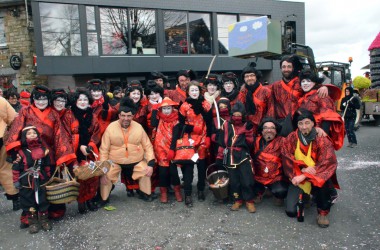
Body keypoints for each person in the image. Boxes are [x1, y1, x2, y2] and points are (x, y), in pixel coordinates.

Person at [5, 85, 76, 221]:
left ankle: (50, 211)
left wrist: (62, 155)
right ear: (33, 99)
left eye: (44, 99)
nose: (41, 102)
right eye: (38, 99)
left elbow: (59, 135)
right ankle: (29, 215)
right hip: (28, 153)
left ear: (48, 100)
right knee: (28, 186)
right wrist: (16, 152)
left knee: (48, 184)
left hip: (48, 154)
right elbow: (16, 129)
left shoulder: (53, 113)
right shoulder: (25, 111)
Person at [282, 109, 339, 228]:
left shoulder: (322, 140)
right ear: (297, 125)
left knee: (321, 182)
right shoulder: (292, 137)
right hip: (298, 173)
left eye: (307, 123)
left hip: (316, 174)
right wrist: (301, 169)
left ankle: (323, 212)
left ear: (313, 123)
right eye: (300, 123)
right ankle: (306, 196)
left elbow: (327, 162)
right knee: (291, 211)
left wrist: (305, 175)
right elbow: (286, 156)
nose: (304, 127)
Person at [99, 98, 156, 204]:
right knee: (106, 175)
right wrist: (103, 170)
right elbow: (104, 150)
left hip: (136, 160)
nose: (126, 118)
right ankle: (104, 198)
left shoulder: (138, 127)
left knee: (145, 170)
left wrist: (150, 164)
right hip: (114, 161)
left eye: (129, 116)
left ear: (132, 116)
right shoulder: (110, 128)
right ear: (119, 115)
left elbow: (148, 146)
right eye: (123, 116)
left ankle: (145, 193)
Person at [170, 81, 212, 207]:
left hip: (203, 139)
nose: (194, 92)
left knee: (201, 168)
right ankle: (187, 193)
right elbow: (181, 124)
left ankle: (200, 190)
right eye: (192, 90)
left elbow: (210, 123)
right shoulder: (184, 106)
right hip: (189, 140)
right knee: (188, 168)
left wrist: (209, 137)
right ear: (188, 91)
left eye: (196, 90)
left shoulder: (206, 104)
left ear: (200, 91)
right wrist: (193, 129)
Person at [269, 55, 328, 136]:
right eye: (284, 67)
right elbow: (263, 91)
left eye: (289, 66)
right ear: (281, 68)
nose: (286, 69)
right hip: (282, 124)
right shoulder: (275, 86)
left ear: (293, 68)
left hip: (299, 123)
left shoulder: (301, 82)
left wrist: (324, 87)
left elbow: (313, 87)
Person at [215, 102, 256, 213]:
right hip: (229, 156)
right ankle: (237, 200)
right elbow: (221, 142)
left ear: (243, 115)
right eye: (235, 114)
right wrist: (219, 156)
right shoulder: (226, 125)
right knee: (234, 181)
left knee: (246, 180)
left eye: (239, 115)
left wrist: (248, 133)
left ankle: (249, 201)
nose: (237, 117)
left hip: (243, 155)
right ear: (231, 115)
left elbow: (251, 144)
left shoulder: (247, 125)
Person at [12, 125, 52, 234]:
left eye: (34, 133)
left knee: (43, 199)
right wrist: (16, 180)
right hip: (27, 182)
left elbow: (47, 165)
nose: (32, 135)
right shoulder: (20, 152)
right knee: (29, 201)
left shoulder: (44, 150)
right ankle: (33, 222)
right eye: (29, 133)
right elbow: (16, 168)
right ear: (25, 137)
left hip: (41, 179)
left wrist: (48, 176)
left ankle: (44, 220)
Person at [68, 89, 101, 213]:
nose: (83, 102)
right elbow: (66, 133)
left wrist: (90, 145)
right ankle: (81, 201)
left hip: (89, 150)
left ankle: (90, 199)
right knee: (79, 176)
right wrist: (79, 145)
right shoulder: (69, 115)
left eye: (85, 99)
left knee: (92, 176)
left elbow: (96, 133)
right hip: (74, 150)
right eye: (80, 99)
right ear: (75, 101)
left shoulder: (93, 116)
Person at [298, 70, 345, 150]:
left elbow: (328, 116)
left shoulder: (321, 95)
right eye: (303, 81)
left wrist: (322, 136)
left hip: (317, 135)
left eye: (309, 81)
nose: (305, 83)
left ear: (315, 83)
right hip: (304, 134)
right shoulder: (303, 97)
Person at [151, 97, 183, 203]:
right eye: (164, 108)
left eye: (168, 108)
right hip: (160, 149)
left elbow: (175, 137)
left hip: (171, 149)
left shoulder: (176, 120)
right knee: (163, 173)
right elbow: (153, 124)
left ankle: (177, 191)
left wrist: (172, 150)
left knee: (174, 172)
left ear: (172, 108)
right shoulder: (159, 118)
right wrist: (155, 109)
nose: (166, 111)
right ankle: (163, 193)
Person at [252, 118, 288, 205]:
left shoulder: (282, 141)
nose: (269, 130)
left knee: (281, 191)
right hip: (258, 175)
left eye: (272, 128)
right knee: (248, 186)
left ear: (276, 131)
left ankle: (275, 193)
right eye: (266, 128)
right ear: (262, 130)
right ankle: (260, 191)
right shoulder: (255, 141)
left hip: (275, 177)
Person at [238, 66, 274, 135]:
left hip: (262, 129)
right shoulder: (242, 92)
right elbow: (240, 111)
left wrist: (266, 127)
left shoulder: (266, 91)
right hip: (247, 130)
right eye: (247, 76)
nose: (249, 78)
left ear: (256, 76)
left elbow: (271, 112)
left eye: (252, 75)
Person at [0, 96, 20, 212]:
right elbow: (13, 118)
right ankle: (15, 199)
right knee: (5, 168)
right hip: (1, 136)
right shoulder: (1, 100)